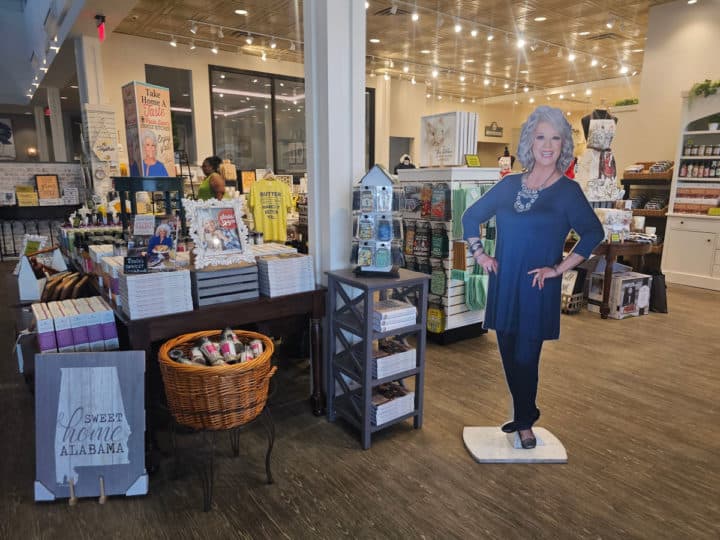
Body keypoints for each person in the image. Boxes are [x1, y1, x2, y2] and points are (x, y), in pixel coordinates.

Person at [461, 106, 604, 449]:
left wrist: (559, 269)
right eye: (541, 136)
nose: (548, 144)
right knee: (509, 355)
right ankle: (526, 412)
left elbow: (592, 233)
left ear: (563, 144)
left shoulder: (568, 191)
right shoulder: (509, 186)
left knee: (527, 356)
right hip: (505, 281)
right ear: (529, 141)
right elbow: (470, 217)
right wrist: (481, 254)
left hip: (539, 287)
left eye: (556, 138)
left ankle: (525, 421)